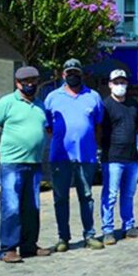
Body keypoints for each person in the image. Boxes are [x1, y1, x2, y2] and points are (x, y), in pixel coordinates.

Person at [0, 65, 52, 263]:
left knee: (32, 207)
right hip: (12, 164)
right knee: (11, 207)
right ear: (17, 83)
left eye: (33, 81)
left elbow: (45, 129)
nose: (30, 84)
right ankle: (7, 249)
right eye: (26, 81)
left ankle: (29, 245)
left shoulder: (40, 105)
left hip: (34, 164)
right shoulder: (7, 102)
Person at [44, 58, 105, 252]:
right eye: (69, 73)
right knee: (60, 198)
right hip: (60, 157)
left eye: (76, 73)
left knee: (86, 197)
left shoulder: (93, 96)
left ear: (82, 74)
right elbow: (49, 127)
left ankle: (89, 235)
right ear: (63, 75)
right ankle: (63, 238)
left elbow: (98, 126)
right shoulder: (52, 97)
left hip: (86, 156)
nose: (72, 76)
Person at [99, 69, 138, 245]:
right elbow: (99, 130)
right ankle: (108, 230)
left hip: (132, 158)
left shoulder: (133, 104)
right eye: (116, 82)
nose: (120, 85)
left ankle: (129, 226)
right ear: (110, 84)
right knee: (110, 195)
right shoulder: (105, 105)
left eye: (123, 82)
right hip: (112, 158)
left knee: (128, 194)